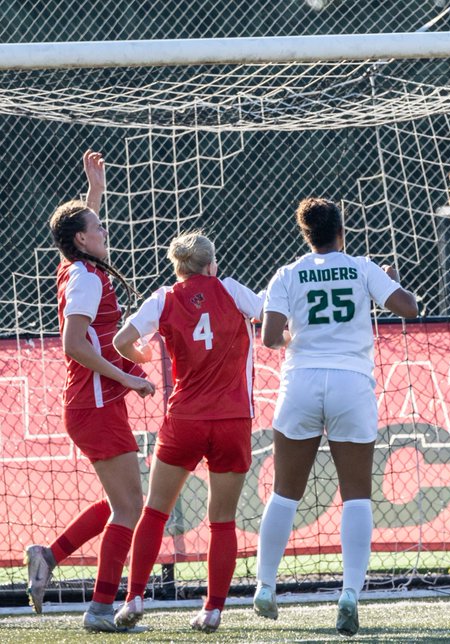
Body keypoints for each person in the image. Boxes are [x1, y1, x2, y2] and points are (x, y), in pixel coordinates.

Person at [252, 197, 418, 636]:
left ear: (306, 235)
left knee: (284, 493)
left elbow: (270, 336)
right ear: (341, 231)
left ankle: (266, 586)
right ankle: (349, 594)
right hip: (351, 383)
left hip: (302, 381)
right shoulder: (363, 267)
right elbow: (409, 307)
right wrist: (386, 284)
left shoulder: (287, 273)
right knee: (357, 496)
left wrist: (302, 337)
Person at [25, 151, 156, 631]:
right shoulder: (83, 276)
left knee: (124, 501)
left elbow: (76, 238)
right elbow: (74, 345)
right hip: (95, 404)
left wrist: (94, 190)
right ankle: (100, 610)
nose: (105, 233)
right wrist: (129, 378)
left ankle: (48, 556)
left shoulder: (77, 266)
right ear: (82, 239)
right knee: (128, 507)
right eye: (98, 227)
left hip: (96, 404)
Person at [110, 232, 264, 633]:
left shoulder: (163, 298)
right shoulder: (231, 290)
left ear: (177, 267)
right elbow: (273, 314)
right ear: (212, 264)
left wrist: (141, 354)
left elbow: (121, 341)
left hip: (185, 420)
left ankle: (134, 598)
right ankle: (213, 609)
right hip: (233, 421)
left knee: (155, 510)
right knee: (222, 520)